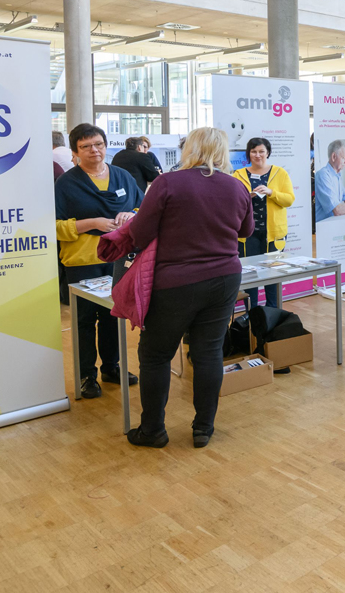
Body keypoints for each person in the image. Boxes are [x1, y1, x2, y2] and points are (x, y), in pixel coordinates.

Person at [122, 127, 254, 449]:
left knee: (155, 355)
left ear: (188, 149)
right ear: (222, 151)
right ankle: (203, 428)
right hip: (224, 278)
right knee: (208, 352)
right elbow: (246, 230)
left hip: (175, 282)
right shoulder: (237, 187)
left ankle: (153, 430)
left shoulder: (168, 183)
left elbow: (139, 234)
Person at [55, 124, 142, 399]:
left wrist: (131, 216)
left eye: (99, 144)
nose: (94, 150)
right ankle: (86, 376)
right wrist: (92, 223)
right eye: (86, 146)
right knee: (83, 320)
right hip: (82, 260)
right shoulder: (66, 183)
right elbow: (54, 226)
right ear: (75, 152)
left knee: (112, 315)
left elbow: (142, 209)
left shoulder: (123, 176)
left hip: (118, 257)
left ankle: (111, 367)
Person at [232, 138, 295, 309]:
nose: (257, 155)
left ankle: (272, 312)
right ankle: (252, 314)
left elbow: (289, 199)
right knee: (250, 275)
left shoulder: (280, 173)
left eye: (261, 151)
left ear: (268, 152)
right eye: (253, 151)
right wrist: (247, 197)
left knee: (272, 274)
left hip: (273, 234)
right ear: (248, 154)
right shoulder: (238, 175)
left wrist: (271, 192)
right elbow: (231, 201)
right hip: (247, 234)